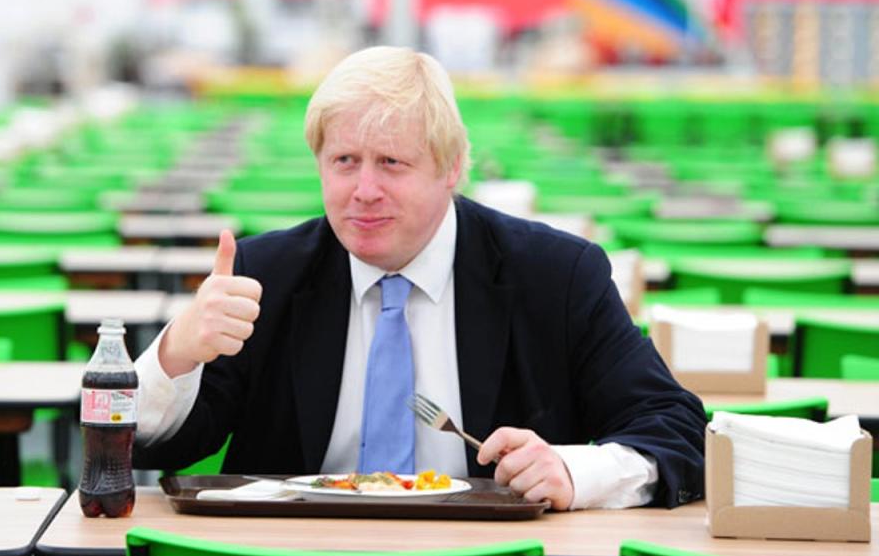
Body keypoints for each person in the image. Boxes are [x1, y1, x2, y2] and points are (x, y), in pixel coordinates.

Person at [133, 46, 706, 510]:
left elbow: (675, 430)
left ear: (452, 166)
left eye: (392, 163)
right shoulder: (265, 277)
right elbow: (156, 447)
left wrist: (572, 471)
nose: (364, 190)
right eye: (344, 162)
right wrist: (175, 355)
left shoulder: (555, 276)